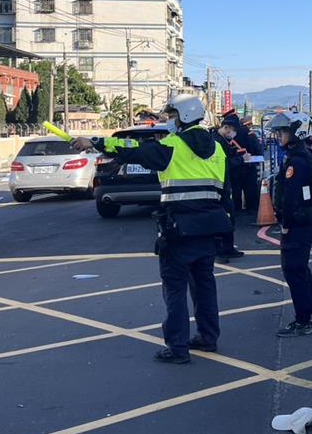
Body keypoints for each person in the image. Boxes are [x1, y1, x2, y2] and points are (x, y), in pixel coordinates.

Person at [72, 94, 230, 364]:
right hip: (210, 226)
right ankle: (208, 337)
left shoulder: (172, 146)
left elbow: (131, 148)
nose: (167, 121)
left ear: (183, 117)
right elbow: (224, 189)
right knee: (205, 285)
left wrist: (95, 142)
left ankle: (178, 347)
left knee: (175, 288)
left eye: (171, 116)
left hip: (180, 229)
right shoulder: (218, 148)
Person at [269, 112, 312, 337]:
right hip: (308, 218)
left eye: (283, 132)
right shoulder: (304, 156)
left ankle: (303, 320)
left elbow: (290, 199)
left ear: (296, 134)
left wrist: (285, 224)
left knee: (292, 270)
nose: (280, 136)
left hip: (299, 222)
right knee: (300, 266)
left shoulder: (297, 162)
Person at [212, 119, 247, 262]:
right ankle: (218, 252)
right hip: (217, 186)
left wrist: (238, 156)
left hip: (224, 186)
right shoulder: (216, 142)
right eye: (233, 130)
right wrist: (241, 160)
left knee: (230, 218)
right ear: (226, 128)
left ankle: (228, 248)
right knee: (221, 219)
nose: (233, 134)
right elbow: (225, 164)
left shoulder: (222, 141)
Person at [239, 115, 264, 214]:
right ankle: (252, 209)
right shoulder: (251, 135)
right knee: (250, 189)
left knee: (237, 190)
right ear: (249, 124)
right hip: (250, 166)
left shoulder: (236, 134)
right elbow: (258, 150)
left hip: (237, 166)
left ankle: (238, 209)